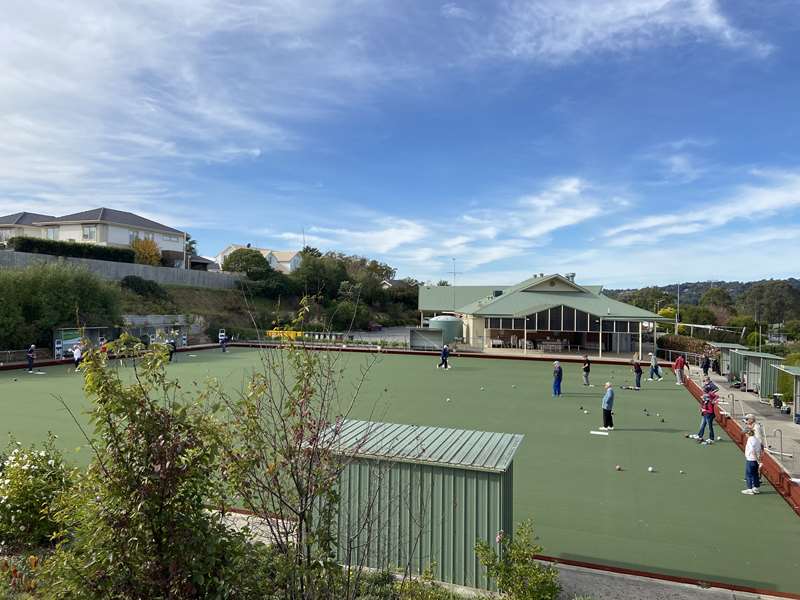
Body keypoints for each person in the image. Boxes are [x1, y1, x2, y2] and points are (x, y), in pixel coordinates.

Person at [742, 429, 763, 495]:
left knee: (749, 475)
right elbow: (761, 448)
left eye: (745, 434)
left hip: (751, 460)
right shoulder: (756, 439)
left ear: (747, 434)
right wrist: (759, 460)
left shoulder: (750, 440)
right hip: (755, 461)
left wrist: (758, 460)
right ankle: (756, 488)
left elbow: (752, 450)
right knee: (755, 474)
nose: (745, 435)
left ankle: (750, 489)